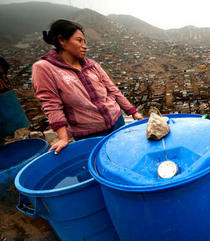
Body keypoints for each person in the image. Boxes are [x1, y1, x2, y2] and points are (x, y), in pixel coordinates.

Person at [32, 19, 143, 154]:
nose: (84, 46)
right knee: (96, 166)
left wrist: (133, 112)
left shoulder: (92, 65)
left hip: (117, 122)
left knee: (124, 156)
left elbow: (113, 90)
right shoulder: (45, 68)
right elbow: (51, 104)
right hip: (88, 133)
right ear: (62, 40)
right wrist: (63, 138)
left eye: (85, 42)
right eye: (79, 40)